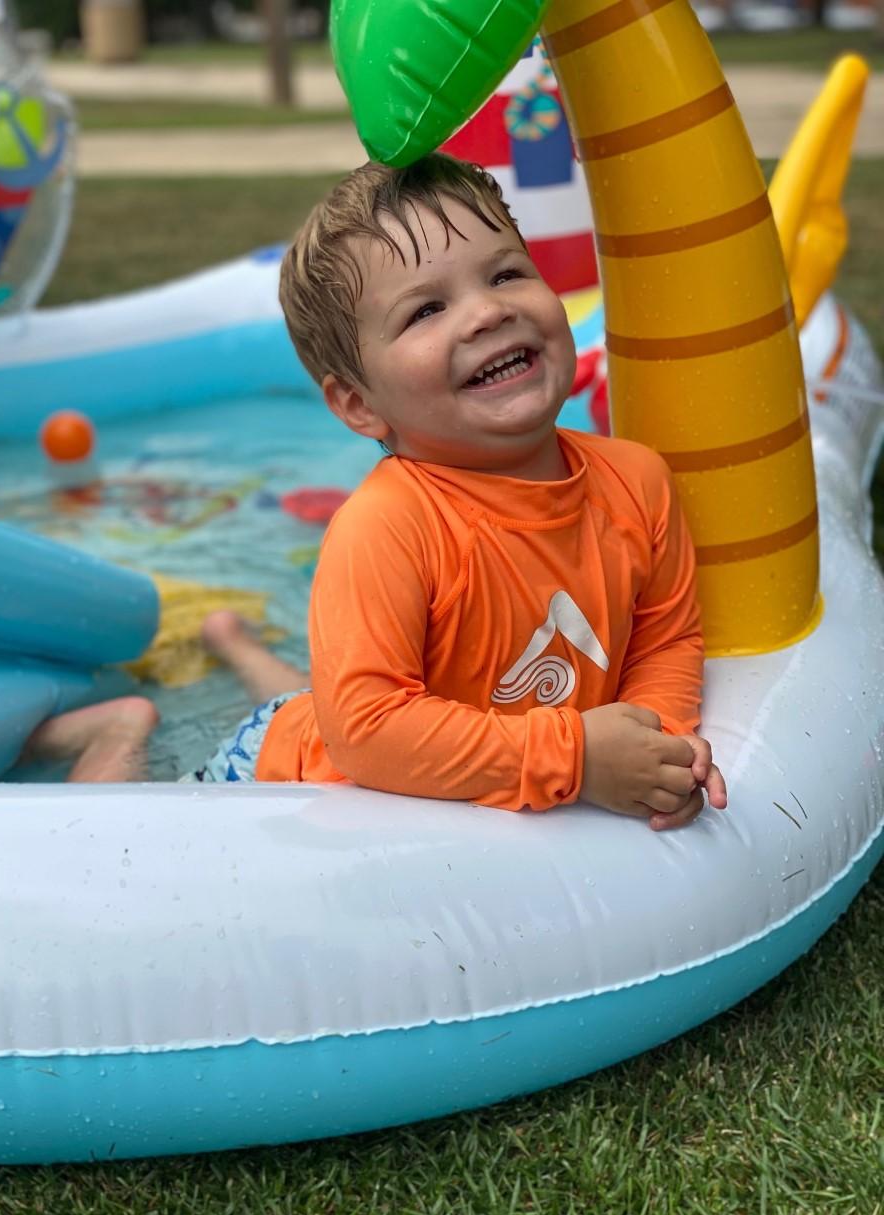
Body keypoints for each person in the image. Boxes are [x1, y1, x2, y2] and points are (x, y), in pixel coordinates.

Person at [39, 153, 727, 832]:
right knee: (118, 841)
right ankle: (119, 730)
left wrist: (655, 748)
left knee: (326, 695)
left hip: (358, 720)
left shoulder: (638, 481)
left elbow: (664, 639)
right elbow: (366, 734)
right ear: (359, 406)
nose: (488, 312)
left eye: (506, 273)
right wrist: (576, 756)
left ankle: (236, 642)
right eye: (426, 309)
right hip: (289, 771)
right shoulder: (387, 527)